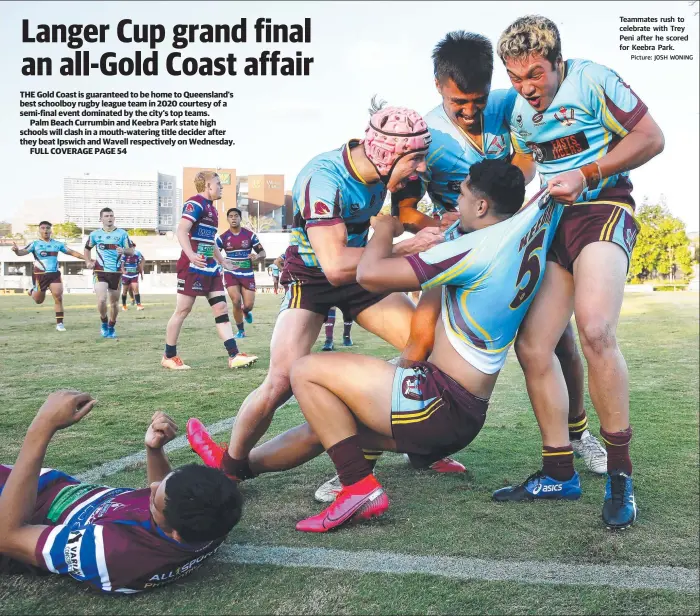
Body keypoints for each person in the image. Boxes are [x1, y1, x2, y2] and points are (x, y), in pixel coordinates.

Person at [191, 160, 564, 533]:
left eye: (463, 195)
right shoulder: (524, 230)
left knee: (305, 370)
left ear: (481, 206)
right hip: (465, 414)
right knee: (331, 426)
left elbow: (369, 275)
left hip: (436, 404)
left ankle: (358, 487)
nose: (456, 203)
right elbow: (426, 319)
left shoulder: (473, 250)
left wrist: (383, 231)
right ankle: (235, 469)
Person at [187, 103, 446, 482]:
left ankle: (420, 448)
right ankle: (231, 468)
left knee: (428, 345)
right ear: (388, 152)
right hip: (312, 275)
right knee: (280, 381)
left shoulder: (394, 173)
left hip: (362, 270)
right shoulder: (322, 177)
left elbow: (404, 216)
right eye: (417, 158)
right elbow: (335, 264)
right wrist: (409, 247)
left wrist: (440, 225)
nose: (422, 167)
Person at [389, 31, 606, 476]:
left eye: (479, 100)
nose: (471, 111)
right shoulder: (426, 133)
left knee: (557, 340)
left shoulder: (512, 104)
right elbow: (406, 208)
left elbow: (533, 153)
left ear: (493, 85)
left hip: (518, 242)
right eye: (459, 103)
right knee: (421, 344)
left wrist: (507, 180)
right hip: (462, 256)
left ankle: (579, 433)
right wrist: (440, 222)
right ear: (438, 87)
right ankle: (382, 447)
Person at [493, 15, 665, 530]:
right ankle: (559, 470)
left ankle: (619, 477)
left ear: (557, 62)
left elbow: (653, 137)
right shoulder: (520, 111)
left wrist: (587, 172)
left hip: (603, 208)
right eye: (516, 77)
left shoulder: (592, 79)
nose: (527, 88)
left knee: (594, 329)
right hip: (551, 222)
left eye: (536, 75)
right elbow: (528, 161)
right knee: (532, 345)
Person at [0, 391, 242, 592]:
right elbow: (169, 502)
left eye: (154, 503)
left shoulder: (112, 552)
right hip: (52, 490)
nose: (153, 486)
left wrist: (42, 427)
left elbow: (7, 536)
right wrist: (154, 450)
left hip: (21, 514)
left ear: (175, 533)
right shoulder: (213, 522)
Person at [161, 171, 258, 371]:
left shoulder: (212, 210)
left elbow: (210, 240)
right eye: (218, 184)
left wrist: (222, 260)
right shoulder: (194, 203)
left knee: (221, 308)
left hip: (210, 268)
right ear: (207, 186)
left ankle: (234, 355)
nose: (221, 187)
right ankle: (169, 356)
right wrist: (190, 255)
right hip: (193, 267)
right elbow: (181, 230)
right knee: (183, 310)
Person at [11, 221, 90, 331]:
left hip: (54, 274)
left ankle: (60, 324)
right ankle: (32, 291)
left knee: (58, 296)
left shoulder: (57, 244)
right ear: (39, 230)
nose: (45, 230)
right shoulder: (35, 244)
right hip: (39, 275)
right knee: (39, 300)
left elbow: (71, 252)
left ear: (51, 230)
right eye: (43, 228)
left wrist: (87, 259)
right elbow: (21, 253)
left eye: (48, 228)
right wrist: (16, 251)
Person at [84, 209, 132, 339]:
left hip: (115, 272)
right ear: (101, 219)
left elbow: (131, 251)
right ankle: (104, 322)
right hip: (100, 271)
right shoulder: (95, 234)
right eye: (106, 216)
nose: (109, 218)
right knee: (101, 299)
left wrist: (124, 250)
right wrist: (88, 261)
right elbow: (87, 248)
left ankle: (111, 326)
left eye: (111, 216)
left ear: (114, 218)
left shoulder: (122, 234)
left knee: (114, 303)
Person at [219, 208, 266, 339]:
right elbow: (214, 252)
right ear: (228, 219)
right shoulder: (223, 237)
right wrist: (221, 262)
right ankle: (241, 331)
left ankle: (246, 312)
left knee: (248, 305)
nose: (233, 218)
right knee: (236, 300)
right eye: (230, 216)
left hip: (247, 274)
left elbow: (263, 253)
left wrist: (256, 257)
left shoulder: (249, 235)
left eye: (236, 216)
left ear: (240, 218)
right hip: (230, 273)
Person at [120, 244, 145, 311]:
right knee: (125, 291)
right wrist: (123, 271)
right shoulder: (124, 256)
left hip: (134, 275)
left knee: (136, 289)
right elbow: (122, 265)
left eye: (133, 248)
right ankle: (124, 306)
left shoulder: (137, 256)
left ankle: (139, 305)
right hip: (126, 276)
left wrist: (141, 274)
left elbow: (139, 265)